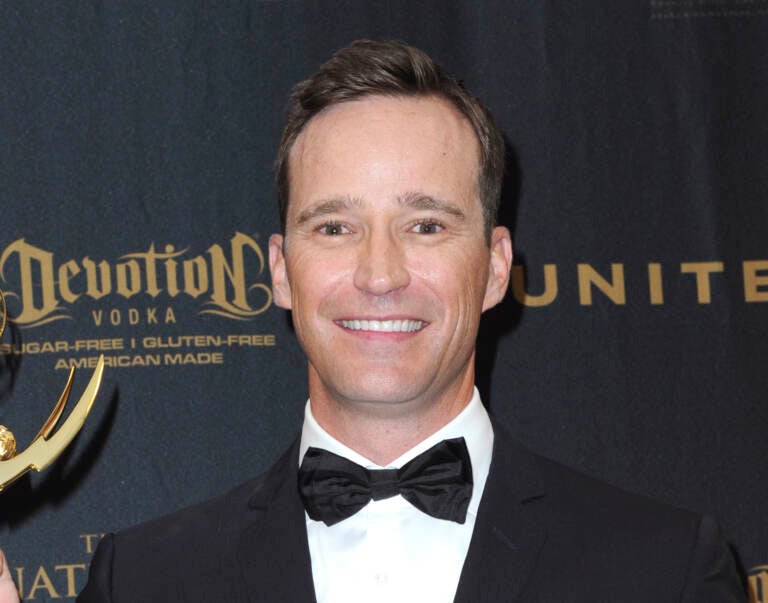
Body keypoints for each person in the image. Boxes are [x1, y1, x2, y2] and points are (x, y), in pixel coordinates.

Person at [0, 39, 747, 603]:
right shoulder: (145, 582)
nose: (380, 274)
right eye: (334, 227)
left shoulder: (663, 570)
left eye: (425, 225)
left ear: (493, 267)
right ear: (280, 270)